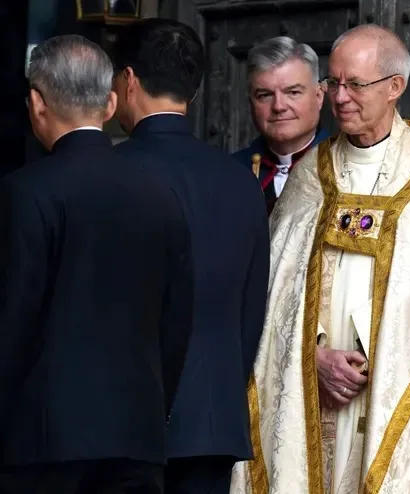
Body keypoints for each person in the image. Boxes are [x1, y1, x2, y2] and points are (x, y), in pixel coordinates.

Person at [230, 24, 410, 494]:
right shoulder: (313, 174)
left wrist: (387, 360)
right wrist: (312, 355)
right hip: (313, 387)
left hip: (390, 388)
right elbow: (275, 295)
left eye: (356, 83)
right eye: (334, 83)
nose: (341, 98)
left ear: (395, 87)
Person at [0, 35, 194, 493]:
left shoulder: (24, 191)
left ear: (36, 103)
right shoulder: (161, 193)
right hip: (138, 438)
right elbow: (178, 317)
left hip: (42, 444)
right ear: (110, 104)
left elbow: (12, 319)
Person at [111, 18, 270, 494]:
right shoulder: (241, 181)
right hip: (212, 421)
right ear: (194, 93)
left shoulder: (108, 174)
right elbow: (250, 311)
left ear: (129, 80)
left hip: (123, 424)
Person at [232, 36, 329, 214]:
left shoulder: (347, 167)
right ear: (251, 103)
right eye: (265, 95)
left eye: (293, 92)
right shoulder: (228, 172)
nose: (278, 106)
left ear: (319, 96)